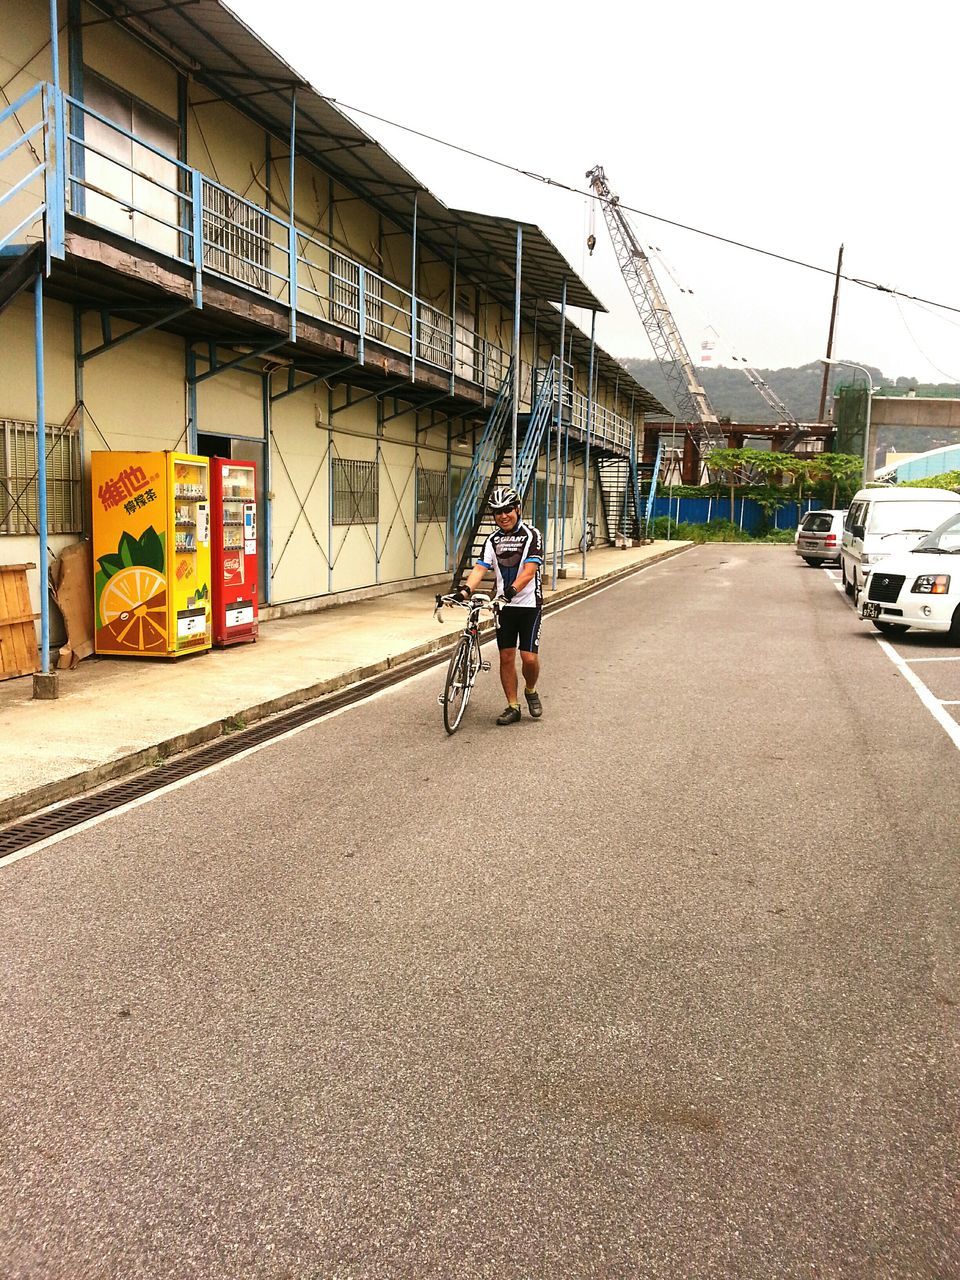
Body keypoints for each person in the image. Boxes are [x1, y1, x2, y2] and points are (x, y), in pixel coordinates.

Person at [452, 486, 544, 726]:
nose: (503, 515)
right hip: (504, 607)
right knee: (505, 656)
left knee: (529, 658)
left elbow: (529, 572)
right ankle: (513, 705)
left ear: (518, 509)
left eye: (507, 510)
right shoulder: (492, 540)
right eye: (497, 512)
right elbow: (481, 568)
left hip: (529, 604)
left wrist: (510, 592)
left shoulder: (532, 534)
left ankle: (531, 689)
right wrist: (465, 591)